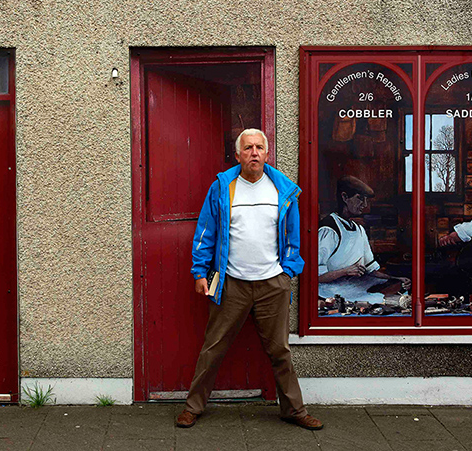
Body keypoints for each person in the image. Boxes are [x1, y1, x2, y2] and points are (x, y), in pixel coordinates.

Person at [175, 128, 323, 431]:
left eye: (259, 147)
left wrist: (289, 270)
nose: (254, 153)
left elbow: (293, 236)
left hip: (272, 285)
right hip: (232, 283)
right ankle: (193, 408)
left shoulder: (283, 190)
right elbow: (206, 232)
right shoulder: (223, 187)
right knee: (213, 347)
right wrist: (199, 272)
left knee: (280, 350)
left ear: (267, 153)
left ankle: (294, 410)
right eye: (248, 148)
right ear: (238, 154)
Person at [317, 176, 410, 299]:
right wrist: (345, 271)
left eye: (366, 200)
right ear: (344, 197)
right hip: (331, 292)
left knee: (398, 287)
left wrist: (396, 279)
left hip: (355, 287)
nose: (364, 204)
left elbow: (371, 270)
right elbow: (317, 276)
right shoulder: (329, 228)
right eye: (360, 198)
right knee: (382, 300)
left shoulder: (359, 229)